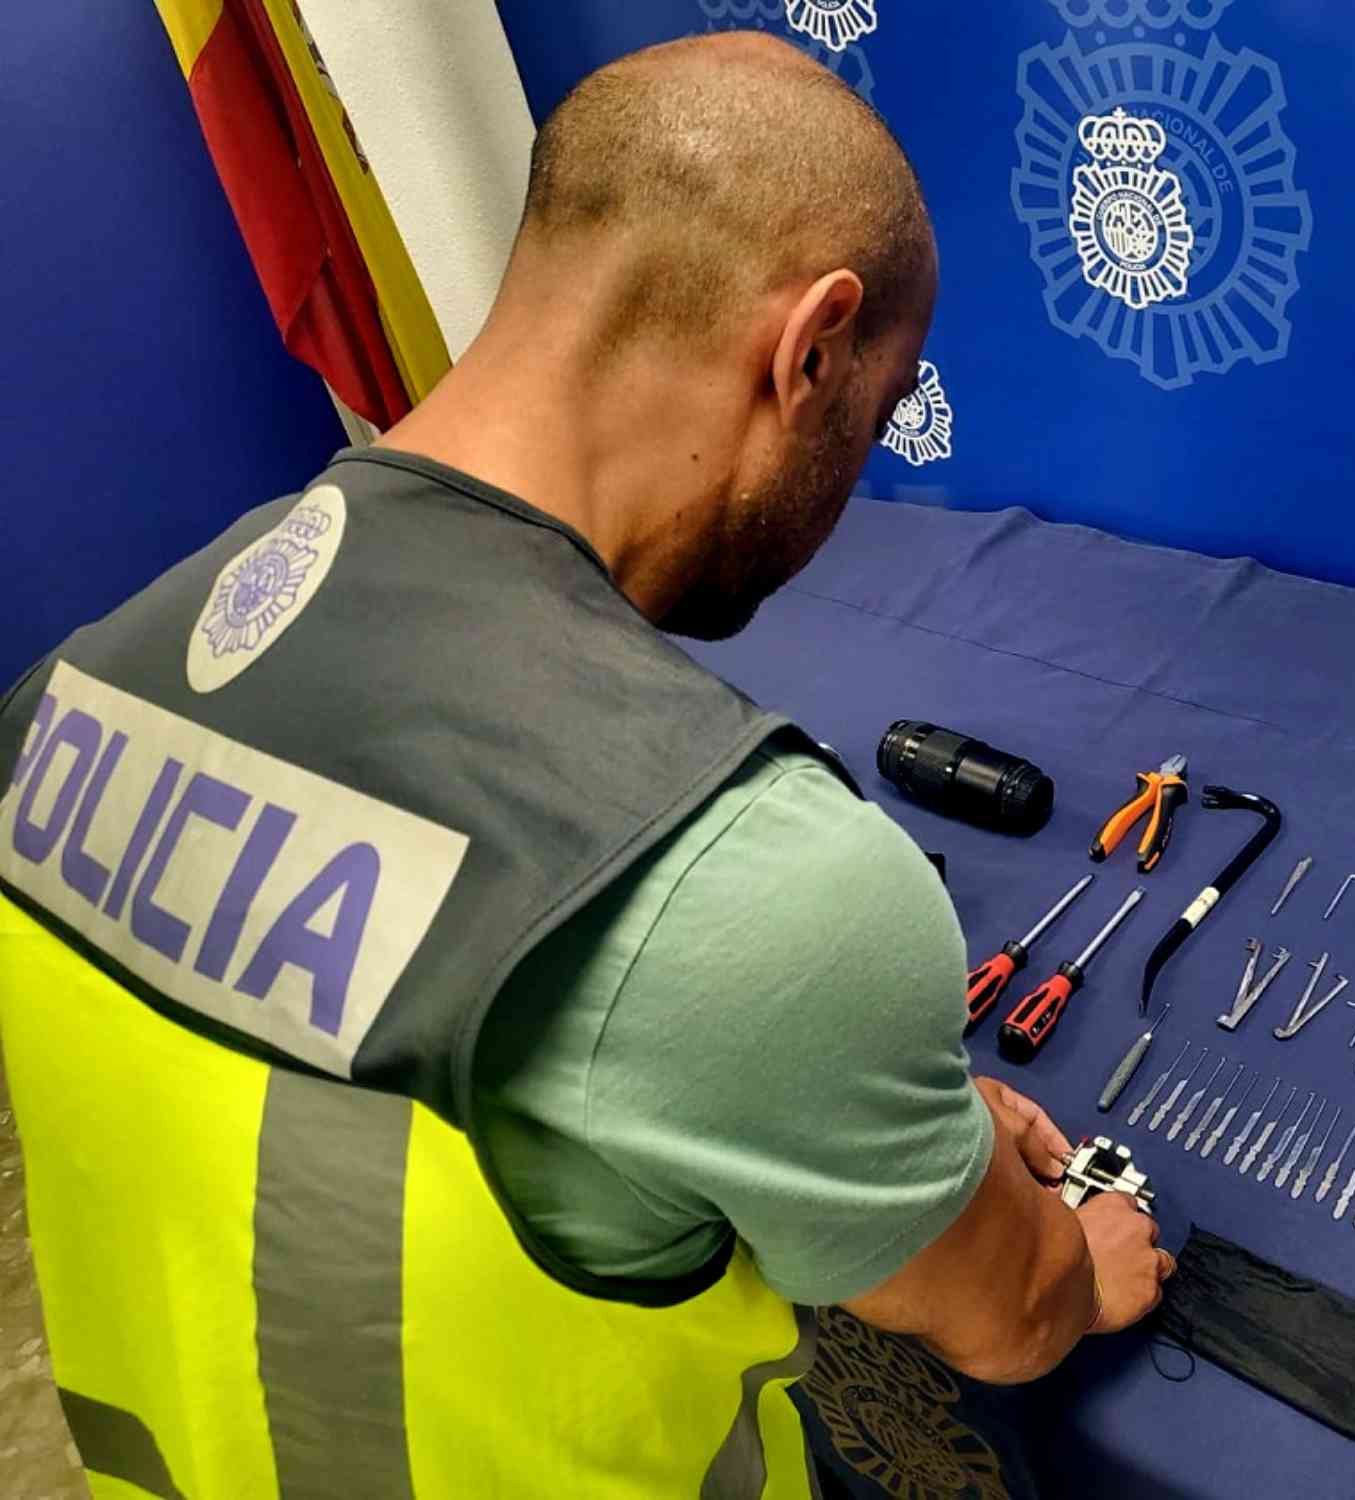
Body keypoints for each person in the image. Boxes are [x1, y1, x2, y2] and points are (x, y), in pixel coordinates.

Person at [0, 30, 1171, 1500]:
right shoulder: (749, 879)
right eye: (865, 428)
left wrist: (872, 1125)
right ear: (809, 350)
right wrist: (1066, 1255)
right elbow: (1006, 1318)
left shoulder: (71, 686)